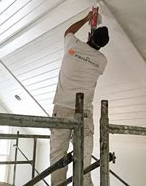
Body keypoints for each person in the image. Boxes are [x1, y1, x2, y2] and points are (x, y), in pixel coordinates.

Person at [50, 11, 109, 186]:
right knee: (83, 161)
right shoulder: (102, 61)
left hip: (61, 109)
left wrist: (86, 19)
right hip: (84, 114)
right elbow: (90, 53)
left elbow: (69, 30)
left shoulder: (72, 45)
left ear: (90, 35)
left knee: (57, 156)